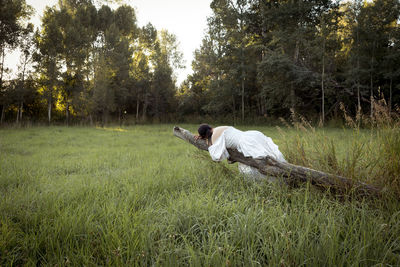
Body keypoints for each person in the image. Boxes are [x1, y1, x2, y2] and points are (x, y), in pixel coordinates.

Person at [196, 124, 286, 179]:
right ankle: (285, 171)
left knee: (259, 162)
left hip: (246, 143)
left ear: (204, 136)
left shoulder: (214, 137)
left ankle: (279, 177)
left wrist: (207, 141)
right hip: (251, 134)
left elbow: (217, 157)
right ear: (210, 127)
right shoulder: (219, 128)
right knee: (269, 154)